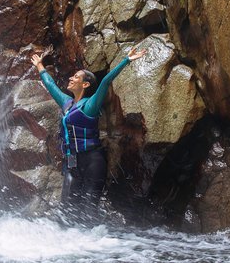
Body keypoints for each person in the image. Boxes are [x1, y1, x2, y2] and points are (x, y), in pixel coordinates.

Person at [31, 47, 147, 210]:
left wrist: (126, 60)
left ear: (85, 84)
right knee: (67, 211)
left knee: (89, 211)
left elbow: (106, 81)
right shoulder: (67, 103)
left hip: (93, 162)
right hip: (72, 164)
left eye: (76, 77)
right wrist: (39, 66)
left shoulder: (90, 105)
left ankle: (96, 235)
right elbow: (51, 86)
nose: (71, 78)